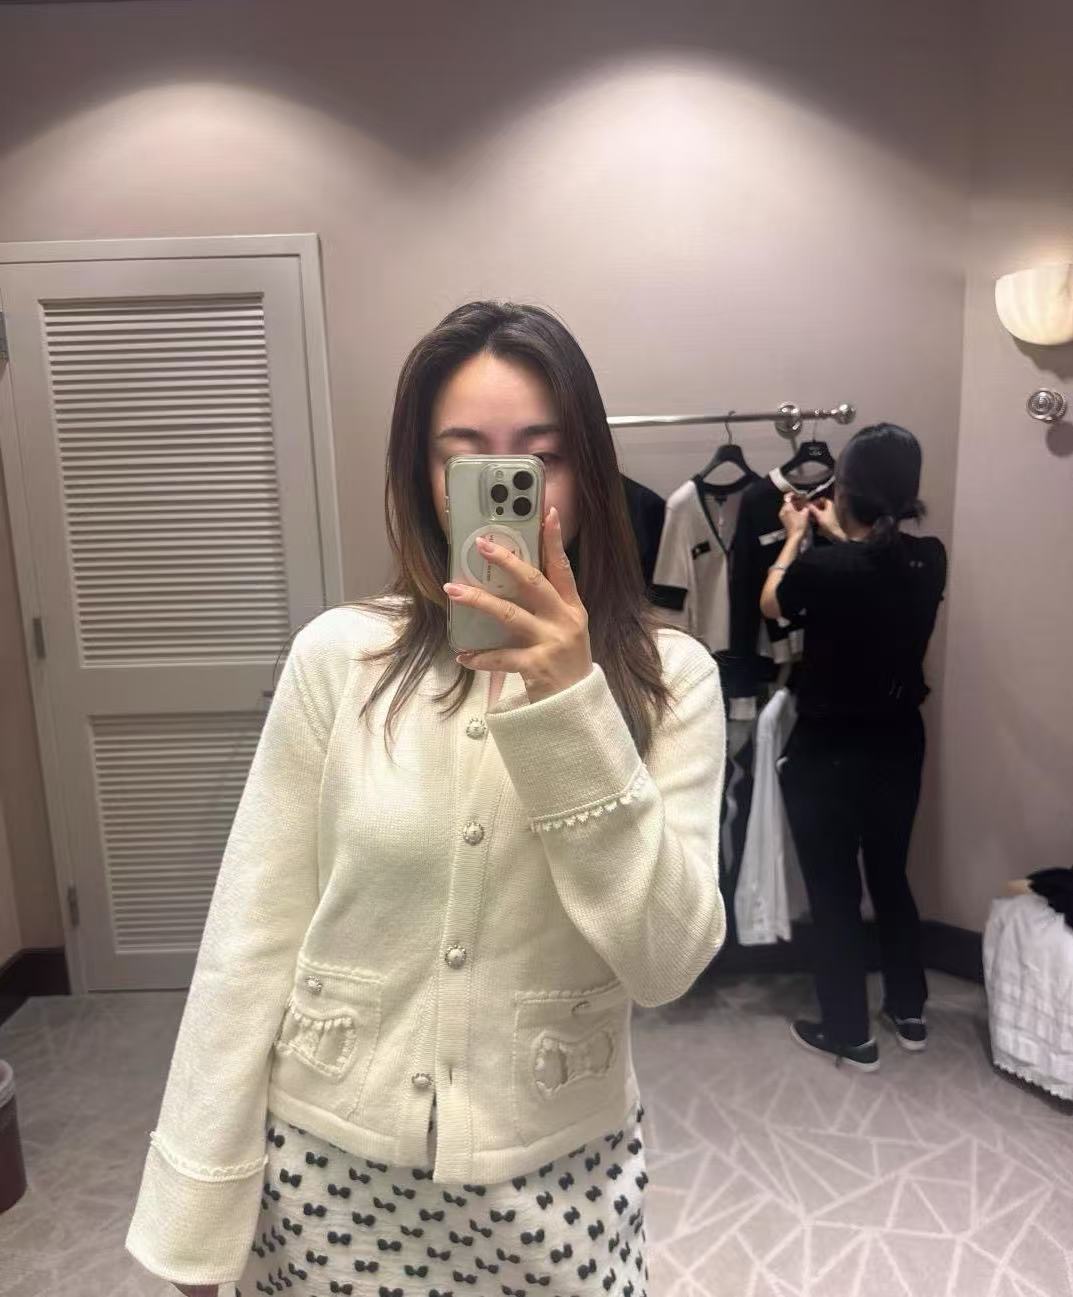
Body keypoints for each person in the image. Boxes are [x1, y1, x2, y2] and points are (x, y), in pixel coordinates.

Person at [124, 301, 728, 1297]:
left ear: (588, 473)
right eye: (466, 455)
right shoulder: (340, 659)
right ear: (424, 477)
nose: (507, 486)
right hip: (330, 1173)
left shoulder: (672, 682)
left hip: (558, 1176)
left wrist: (571, 703)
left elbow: (667, 961)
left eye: (540, 457)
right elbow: (249, 942)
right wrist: (198, 1221)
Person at [759, 423, 947, 1071]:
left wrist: (793, 537)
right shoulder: (929, 559)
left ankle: (848, 1031)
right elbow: (875, 569)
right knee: (890, 875)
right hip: (898, 743)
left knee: (834, 888)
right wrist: (838, 537)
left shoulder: (822, 567)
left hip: (830, 750)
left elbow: (773, 603)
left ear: (846, 489)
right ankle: (909, 1009)